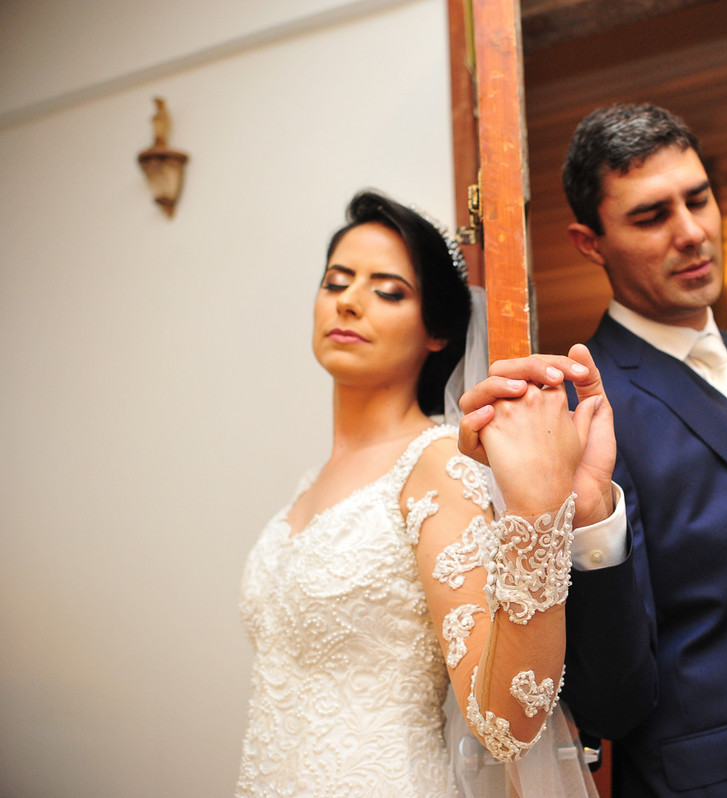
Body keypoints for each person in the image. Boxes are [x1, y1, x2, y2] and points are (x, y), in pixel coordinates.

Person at [460, 104, 727, 796]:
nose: (692, 232)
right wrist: (592, 518)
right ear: (589, 243)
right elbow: (611, 701)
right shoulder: (588, 408)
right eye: (651, 216)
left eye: (698, 199)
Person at [235, 190, 610, 797]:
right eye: (336, 283)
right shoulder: (309, 487)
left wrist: (538, 518)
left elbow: (505, 724)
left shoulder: (434, 466)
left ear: (437, 330)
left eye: (388, 291)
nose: (349, 301)